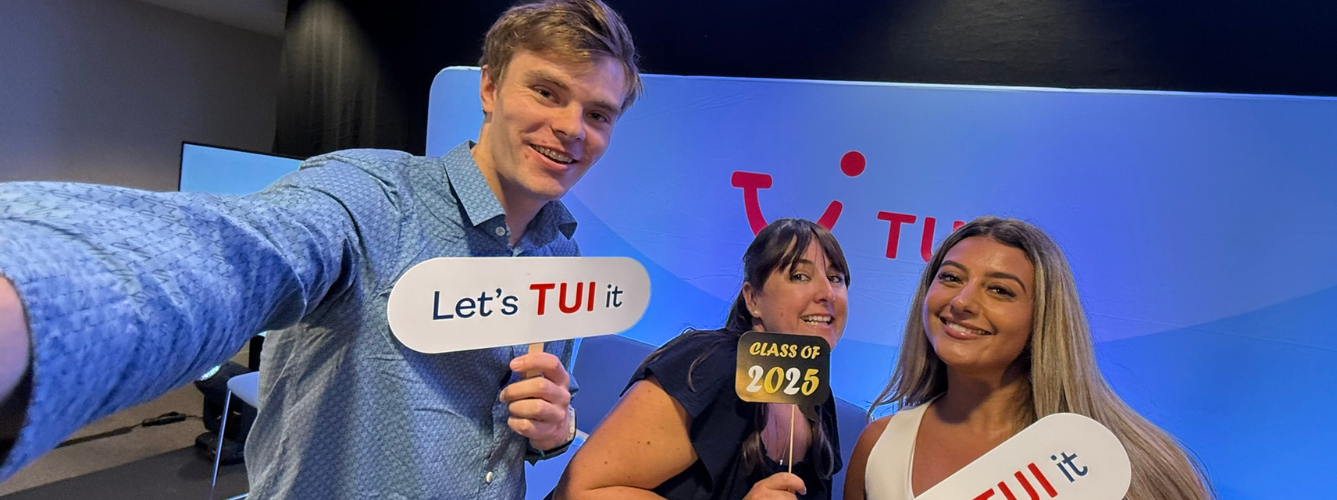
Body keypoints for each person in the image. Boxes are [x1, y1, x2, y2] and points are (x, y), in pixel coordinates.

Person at [0, 0, 642, 497]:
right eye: (547, 91)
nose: (570, 128)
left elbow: (523, 428)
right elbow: (237, 253)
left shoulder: (564, 258)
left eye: (598, 113)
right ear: (489, 89)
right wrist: (32, 303)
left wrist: (552, 433)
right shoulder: (370, 197)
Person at [844, 216, 1214, 500]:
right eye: (951, 278)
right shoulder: (879, 445)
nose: (961, 302)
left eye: (1000, 290)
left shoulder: (1127, 460)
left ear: (1043, 317)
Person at [553, 218, 849, 500]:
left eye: (836, 278)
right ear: (753, 299)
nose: (827, 293)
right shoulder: (710, 367)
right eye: (800, 276)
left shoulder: (816, 397)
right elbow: (580, 491)